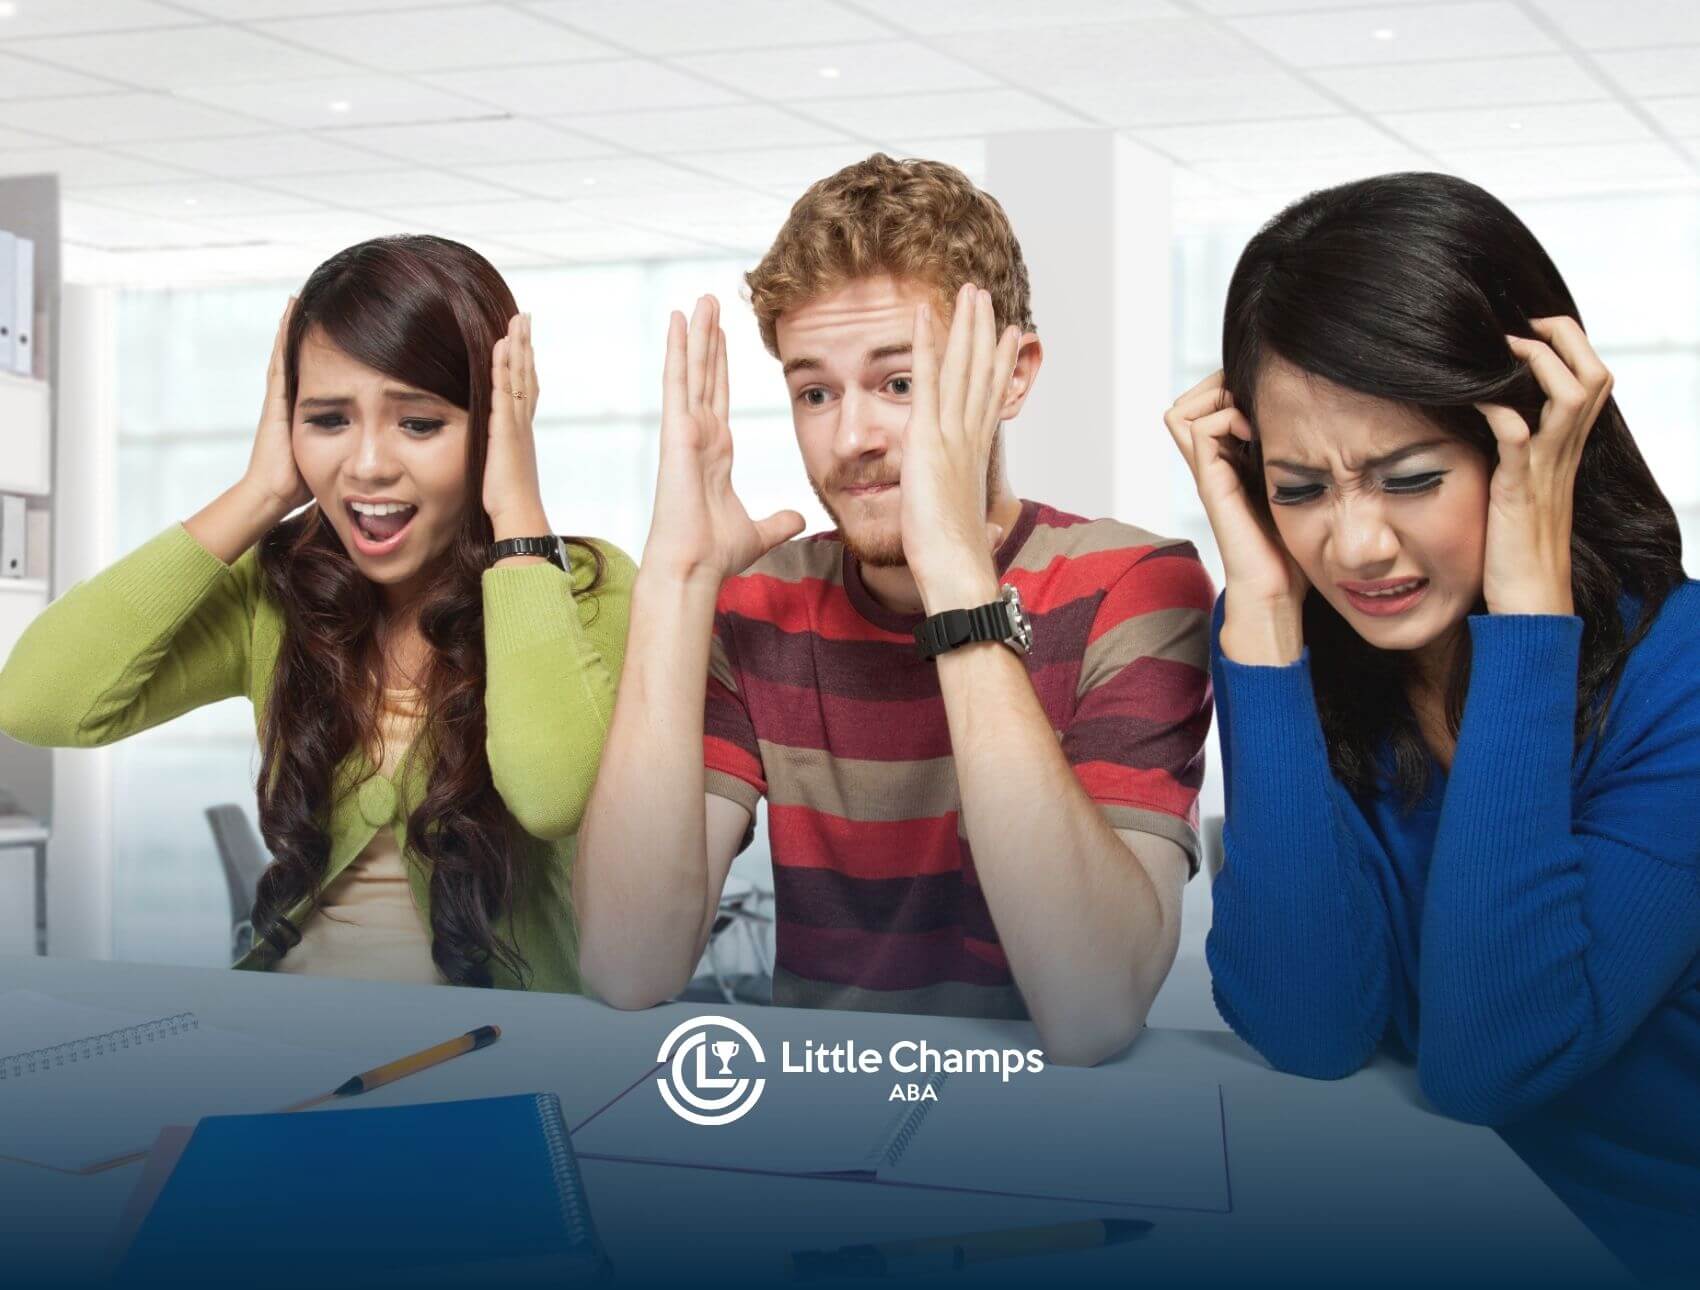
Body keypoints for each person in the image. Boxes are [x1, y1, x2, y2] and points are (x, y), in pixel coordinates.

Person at [1166, 172, 1698, 1279]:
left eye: (1408, 477)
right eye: (1299, 488)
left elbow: (1492, 1062)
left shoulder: (1680, 671)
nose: (1353, 547)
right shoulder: (1310, 643)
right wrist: (1260, 616)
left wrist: (1526, 618)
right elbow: (1309, 1031)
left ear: (1531, 443)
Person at [573, 154, 1214, 1065]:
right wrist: (678, 583)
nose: (852, 438)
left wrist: (957, 575)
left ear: (1013, 376)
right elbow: (629, 965)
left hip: (1060, 1127)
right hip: (828, 1106)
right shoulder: (761, 604)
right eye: (815, 393)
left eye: (899, 383)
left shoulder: (1135, 584)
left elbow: (1094, 1008)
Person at [0, 235, 633, 991]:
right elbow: (39, 703)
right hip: (288, 1030)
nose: (366, 464)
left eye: (420, 423)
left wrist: (518, 516)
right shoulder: (277, 591)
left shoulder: (580, 589)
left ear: (497, 428)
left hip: (488, 1052)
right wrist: (259, 494)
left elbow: (551, 795)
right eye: (328, 419)